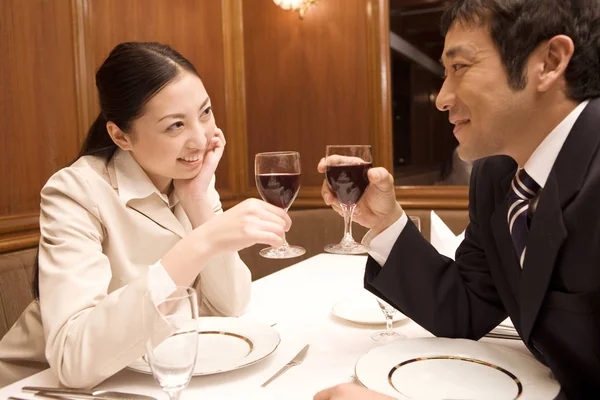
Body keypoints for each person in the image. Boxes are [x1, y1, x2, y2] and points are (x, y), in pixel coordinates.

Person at [315, 0, 600, 399]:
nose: (441, 97)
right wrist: (385, 222)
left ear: (549, 62)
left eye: (459, 67)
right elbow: (465, 308)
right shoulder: (497, 176)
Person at [0, 42, 291, 389]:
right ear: (121, 136)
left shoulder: (189, 180)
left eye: (206, 112)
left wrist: (199, 204)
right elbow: (72, 360)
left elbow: (229, 305)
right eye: (175, 126)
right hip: (34, 385)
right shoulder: (75, 191)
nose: (200, 139)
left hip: (141, 377)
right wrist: (202, 241)